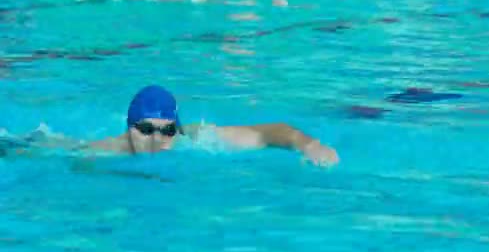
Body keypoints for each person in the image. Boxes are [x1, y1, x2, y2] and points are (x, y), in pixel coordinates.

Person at [72, 85, 339, 167]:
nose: (156, 139)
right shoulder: (108, 149)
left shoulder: (196, 138)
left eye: (167, 131)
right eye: (145, 129)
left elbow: (269, 133)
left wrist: (310, 145)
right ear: (129, 128)